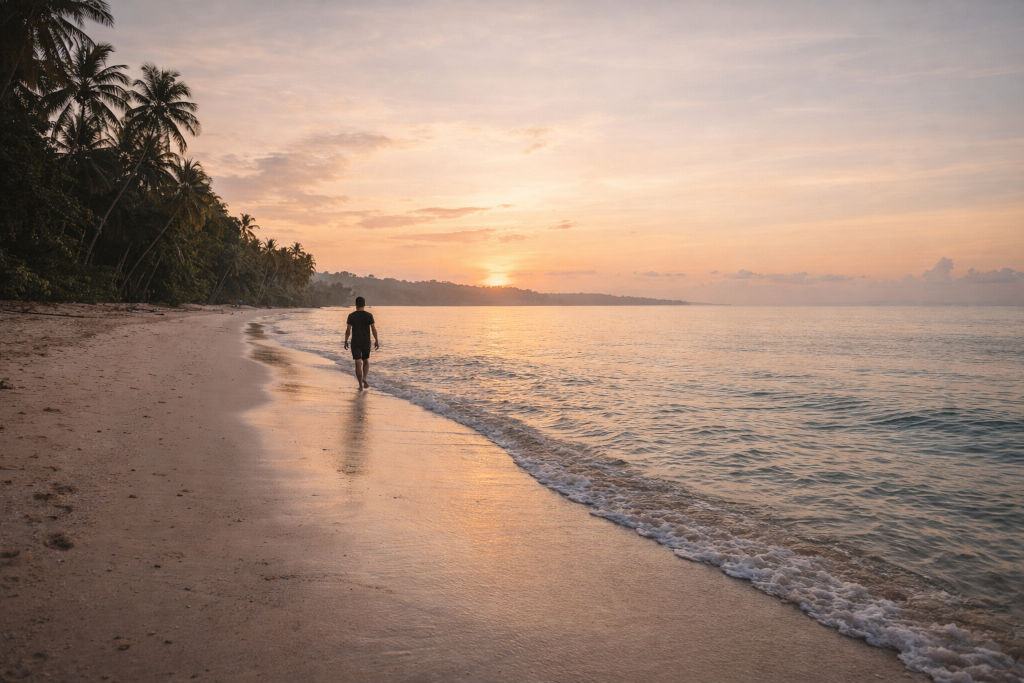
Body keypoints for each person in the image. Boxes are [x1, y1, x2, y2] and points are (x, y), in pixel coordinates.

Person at [344, 296, 379, 390]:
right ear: (364, 304)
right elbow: (373, 329)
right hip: (366, 341)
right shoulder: (369, 315)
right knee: (366, 360)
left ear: (356, 305)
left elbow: (348, 330)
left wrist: (346, 341)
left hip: (356, 341)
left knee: (358, 362)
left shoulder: (351, 315)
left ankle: (360, 385)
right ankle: (364, 378)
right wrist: (376, 340)